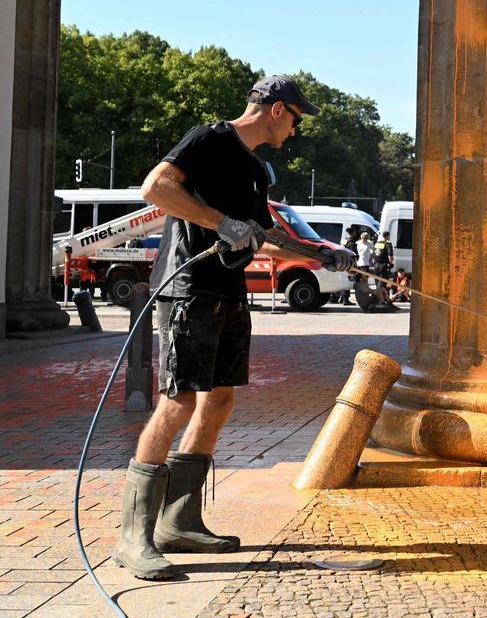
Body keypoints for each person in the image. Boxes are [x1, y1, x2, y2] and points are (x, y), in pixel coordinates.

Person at [113, 75, 355, 580]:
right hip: (187, 288)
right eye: (295, 118)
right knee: (178, 401)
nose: (296, 129)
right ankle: (133, 536)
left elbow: (260, 239)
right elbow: (155, 187)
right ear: (276, 109)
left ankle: (178, 521)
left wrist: (322, 254)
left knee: (219, 401)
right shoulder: (209, 139)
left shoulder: (256, 169)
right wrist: (219, 222)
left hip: (227, 293)